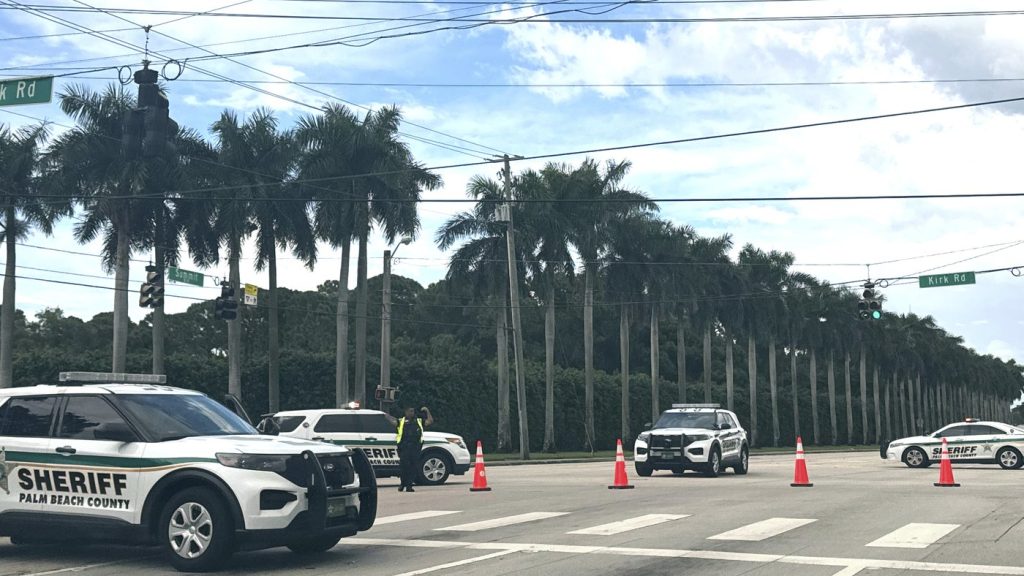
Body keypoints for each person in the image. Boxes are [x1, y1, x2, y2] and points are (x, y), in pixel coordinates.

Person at [385, 406, 433, 492]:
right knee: (404, 467)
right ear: (405, 412)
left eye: (413, 411)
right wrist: (385, 414)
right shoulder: (401, 421)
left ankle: (409, 486)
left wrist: (427, 411)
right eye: (410, 411)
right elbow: (392, 421)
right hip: (404, 448)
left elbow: (430, 421)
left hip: (415, 448)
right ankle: (402, 484)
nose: (411, 413)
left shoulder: (419, 421)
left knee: (413, 467)